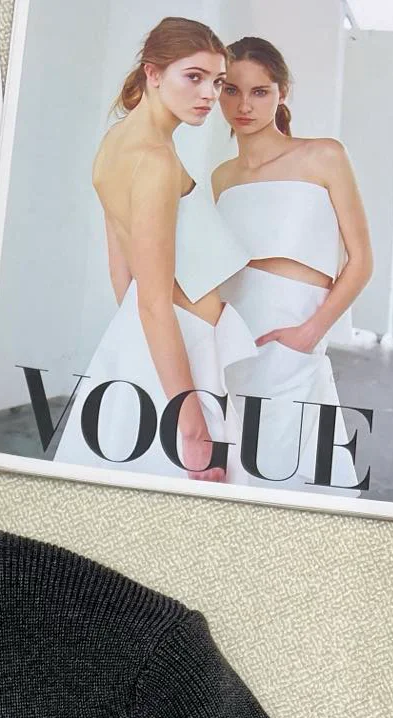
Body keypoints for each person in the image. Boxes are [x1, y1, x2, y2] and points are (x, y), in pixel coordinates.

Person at [55, 18, 252, 483]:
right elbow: (152, 300)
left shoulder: (116, 143)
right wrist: (192, 430)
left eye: (217, 81)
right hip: (184, 353)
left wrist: (136, 348)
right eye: (194, 77)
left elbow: (121, 269)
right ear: (153, 72)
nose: (208, 94)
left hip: (153, 343)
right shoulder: (156, 160)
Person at [211, 36, 373, 490]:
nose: (244, 105)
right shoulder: (222, 177)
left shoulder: (324, 155)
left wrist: (310, 332)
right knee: (245, 460)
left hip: (294, 329)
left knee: (287, 463)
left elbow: (361, 260)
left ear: (282, 92)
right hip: (235, 331)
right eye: (231, 89)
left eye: (259, 91)